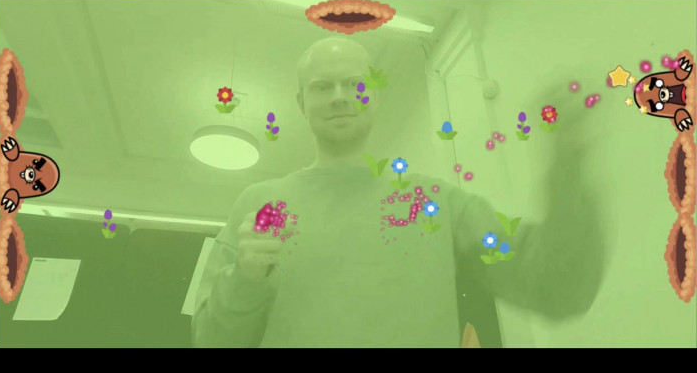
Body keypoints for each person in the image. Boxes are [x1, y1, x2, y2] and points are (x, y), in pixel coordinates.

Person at [191, 37, 602, 348]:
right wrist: (246, 278)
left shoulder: (436, 203)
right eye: (322, 86)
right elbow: (209, 341)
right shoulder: (258, 205)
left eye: (354, 83)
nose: (339, 96)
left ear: (374, 94)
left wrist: (568, 166)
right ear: (301, 103)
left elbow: (555, 287)